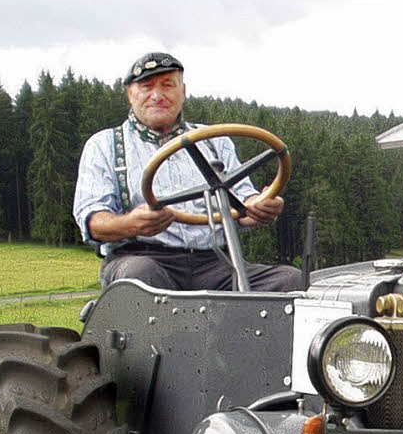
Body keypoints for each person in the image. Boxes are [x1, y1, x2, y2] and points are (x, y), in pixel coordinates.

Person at [73, 52, 302, 291]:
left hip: (216, 263)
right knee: (141, 276)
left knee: (289, 281)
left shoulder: (215, 140)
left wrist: (259, 205)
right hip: (142, 258)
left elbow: (243, 204)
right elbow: (93, 222)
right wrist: (131, 224)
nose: (157, 95)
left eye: (168, 85)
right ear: (130, 94)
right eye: (147, 86)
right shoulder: (104, 144)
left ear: (183, 92)